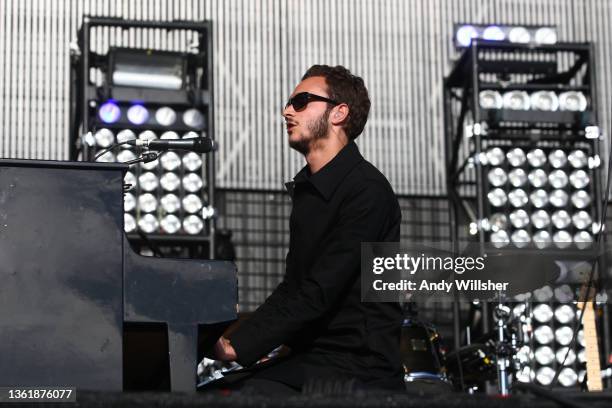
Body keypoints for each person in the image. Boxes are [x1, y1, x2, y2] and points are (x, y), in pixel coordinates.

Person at [213, 65, 403, 394]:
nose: (287, 110)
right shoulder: (309, 191)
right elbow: (294, 288)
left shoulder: (367, 190)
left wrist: (236, 346)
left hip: (357, 368)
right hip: (312, 359)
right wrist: (233, 340)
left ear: (339, 113)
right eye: (289, 103)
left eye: (301, 101)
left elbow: (319, 290)